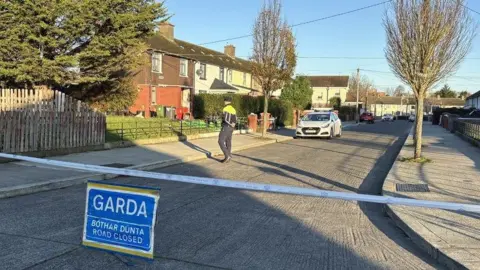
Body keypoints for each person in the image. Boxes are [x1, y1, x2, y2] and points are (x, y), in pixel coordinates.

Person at [218, 96, 237, 163]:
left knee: (220, 141)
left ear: (226, 101)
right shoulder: (233, 109)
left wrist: (230, 123)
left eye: (224, 101)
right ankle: (229, 155)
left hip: (226, 126)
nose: (224, 102)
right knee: (228, 141)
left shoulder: (225, 108)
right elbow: (235, 118)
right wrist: (233, 124)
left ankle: (227, 155)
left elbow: (226, 119)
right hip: (231, 128)